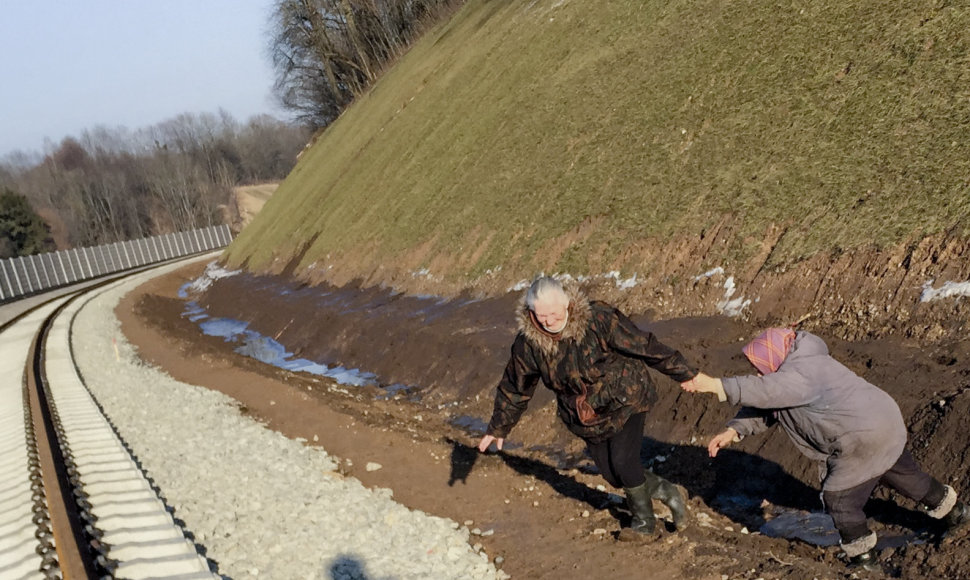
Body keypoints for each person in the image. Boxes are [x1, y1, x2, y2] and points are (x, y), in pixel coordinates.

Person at [681, 327, 970, 569]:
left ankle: (864, 559)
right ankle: (956, 512)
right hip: (885, 424)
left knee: (839, 498)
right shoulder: (801, 363)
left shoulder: (800, 373)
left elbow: (769, 392)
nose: (758, 376)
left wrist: (715, 385)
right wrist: (734, 430)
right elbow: (769, 404)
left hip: (861, 437)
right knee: (905, 475)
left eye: (759, 369)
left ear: (773, 359)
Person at [477, 276, 698, 539]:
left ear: (567, 304)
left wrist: (684, 373)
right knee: (613, 476)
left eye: (553, 313)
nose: (548, 321)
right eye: (541, 315)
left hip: (625, 397)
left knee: (624, 461)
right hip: (584, 414)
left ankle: (643, 524)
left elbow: (643, 345)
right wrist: (500, 426)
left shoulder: (598, 319)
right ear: (531, 313)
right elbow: (516, 385)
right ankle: (667, 491)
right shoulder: (529, 344)